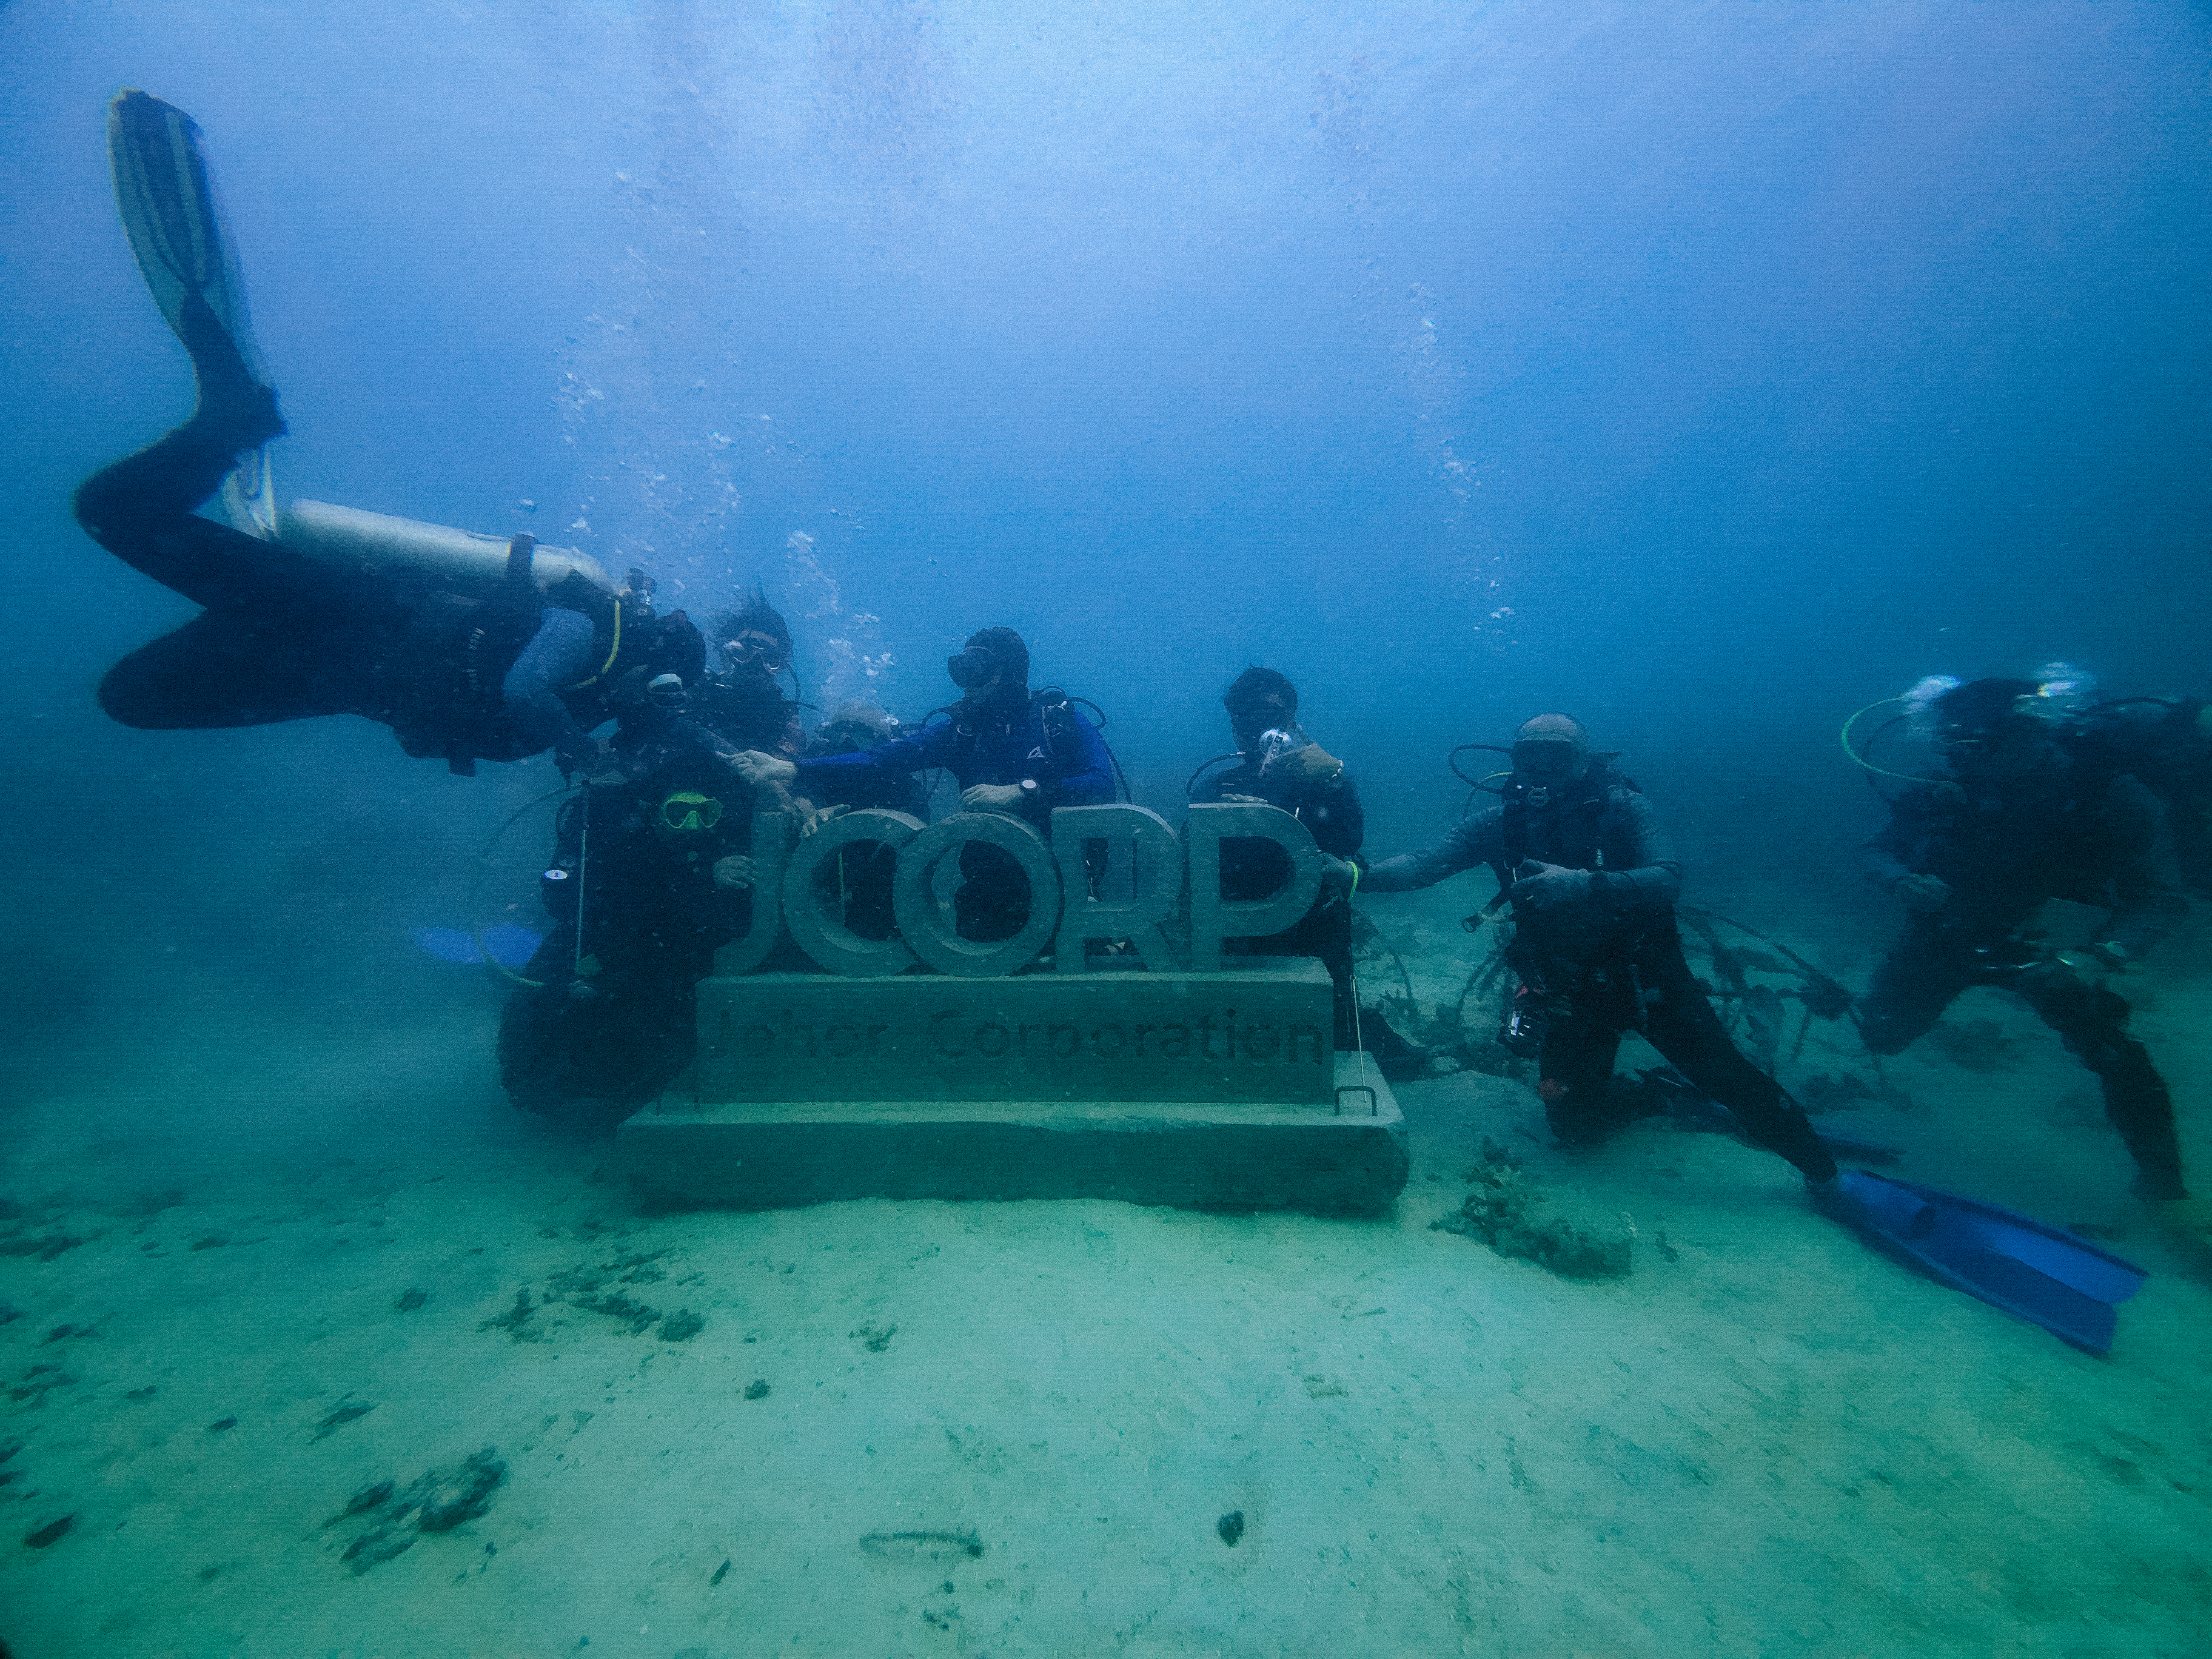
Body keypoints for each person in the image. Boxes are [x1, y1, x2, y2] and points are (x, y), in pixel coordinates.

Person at [75, 90, 703, 779]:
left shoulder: (588, 700)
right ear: (649, 656)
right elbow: (522, 686)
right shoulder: (592, 628)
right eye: (661, 688)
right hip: (354, 613)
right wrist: (581, 752)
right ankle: (231, 421)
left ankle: (231, 438)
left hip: (346, 680)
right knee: (113, 514)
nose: (651, 703)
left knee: (128, 698)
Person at [1356, 714, 1839, 1186]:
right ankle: (1660, 1097)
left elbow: (1667, 878)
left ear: (1585, 761)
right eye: (1531, 756)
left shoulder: (1624, 808)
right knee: (1572, 1125)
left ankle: (1825, 1173)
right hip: (1571, 992)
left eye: (1559, 755)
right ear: (1516, 762)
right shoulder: (1499, 822)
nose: (1544, 769)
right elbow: (1424, 866)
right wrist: (1353, 874)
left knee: (1727, 1075)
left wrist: (1585, 884)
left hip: (1648, 978)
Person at [1858, 677, 2191, 1202]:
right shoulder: (1947, 785)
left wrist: (2099, 956)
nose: (1961, 762)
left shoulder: (2110, 791)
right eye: (1953, 748)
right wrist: (1900, 880)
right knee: (1881, 1034)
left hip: (2053, 951)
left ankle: (2164, 1185)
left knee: (2115, 1056)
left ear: (2027, 736)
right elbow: (1878, 851)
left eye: (1974, 749)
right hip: (1949, 932)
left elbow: (2162, 897)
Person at [734, 627, 1113, 943]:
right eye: (959, 669)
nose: (965, 683)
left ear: (1011, 673)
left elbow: (1100, 783)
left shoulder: (1058, 723)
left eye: (976, 669)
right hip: (987, 891)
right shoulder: (960, 732)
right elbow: (880, 760)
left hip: (1072, 884)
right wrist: (794, 769)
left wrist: (1021, 791)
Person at [497, 750, 764, 1134]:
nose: (691, 826)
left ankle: (634, 1085)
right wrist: (702, 881)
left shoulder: (723, 844)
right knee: (548, 993)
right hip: (611, 942)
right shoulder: (621, 839)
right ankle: (547, 1091)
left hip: (665, 954)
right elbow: (598, 903)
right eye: (677, 814)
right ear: (654, 811)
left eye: (704, 815)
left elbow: (712, 924)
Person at [1190, 668, 1382, 1055]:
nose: (1258, 726)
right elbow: (1190, 866)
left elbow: (1350, 841)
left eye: (1270, 715)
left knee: (1331, 1048)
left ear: (1291, 721)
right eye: (1247, 716)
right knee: (1232, 1043)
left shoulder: (1326, 780)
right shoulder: (1217, 787)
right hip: (1237, 935)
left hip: (1312, 932)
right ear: (1235, 724)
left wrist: (1338, 777)